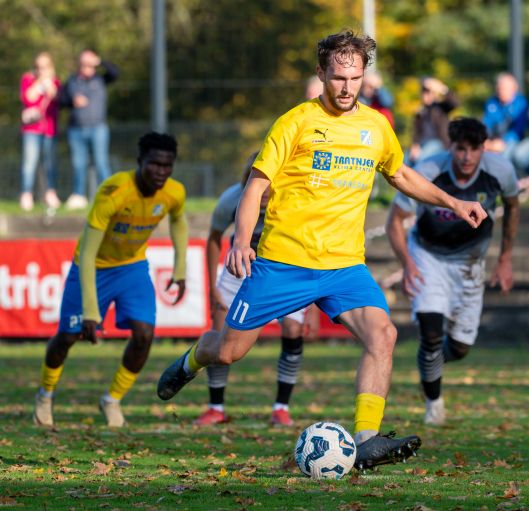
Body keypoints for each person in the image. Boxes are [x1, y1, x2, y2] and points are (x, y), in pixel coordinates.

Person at [156, 30, 487, 470]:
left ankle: (367, 439)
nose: (347, 87)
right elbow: (255, 186)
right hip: (282, 262)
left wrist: (454, 201)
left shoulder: (376, 126)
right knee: (231, 350)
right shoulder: (294, 122)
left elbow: (402, 175)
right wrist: (240, 241)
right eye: (338, 77)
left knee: (383, 334)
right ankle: (193, 357)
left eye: (355, 77)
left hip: (343, 266)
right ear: (321, 74)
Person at [33, 132, 188, 428]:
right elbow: (88, 251)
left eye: (167, 166)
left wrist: (180, 269)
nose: (161, 172)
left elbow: (179, 220)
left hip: (132, 268)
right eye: (155, 164)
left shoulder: (174, 192)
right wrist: (91, 311)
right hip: (92, 267)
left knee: (144, 335)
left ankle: (112, 399)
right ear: (140, 161)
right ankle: (45, 394)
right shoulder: (114, 190)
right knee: (67, 337)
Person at [386, 117, 520, 425]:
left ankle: (430, 364)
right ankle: (434, 404)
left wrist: (505, 258)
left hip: (470, 263)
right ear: (451, 147)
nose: (467, 157)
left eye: (474, 149)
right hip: (427, 256)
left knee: (459, 348)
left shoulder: (500, 171)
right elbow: (395, 221)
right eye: (461, 149)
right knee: (431, 333)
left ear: (484, 148)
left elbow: (513, 207)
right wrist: (407, 265)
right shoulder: (429, 171)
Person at [195, 156, 319, 426]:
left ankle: (281, 408)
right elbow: (214, 239)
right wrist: (212, 287)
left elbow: (311, 245)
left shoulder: (293, 199)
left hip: (284, 271)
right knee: (221, 334)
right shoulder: (231, 199)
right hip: (239, 269)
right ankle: (216, 407)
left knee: (293, 330)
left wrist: (313, 302)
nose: (262, 193)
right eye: (256, 184)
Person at [59, 50, 119, 210]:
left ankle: (110, 196)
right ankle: (79, 196)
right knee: (79, 164)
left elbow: (115, 73)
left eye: (89, 64)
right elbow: (61, 100)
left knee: (101, 163)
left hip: (98, 128)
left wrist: (100, 61)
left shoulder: (101, 79)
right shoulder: (72, 81)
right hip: (76, 129)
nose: (86, 67)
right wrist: (72, 101)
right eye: (84, 63)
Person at [19, 52, 61, 211]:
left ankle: (50, 193)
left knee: (50, 162)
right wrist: (39, 83)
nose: (41, 70)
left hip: (49, 128)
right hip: (32, 129)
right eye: (38, 66)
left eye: (44, 66)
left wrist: (50, 84)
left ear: (50, 67)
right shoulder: (28, 80)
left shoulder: (55, 82)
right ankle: (26, 193)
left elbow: (56, 98)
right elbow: (27, 98)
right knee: (29, 162)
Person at [408, 77, 459, 165]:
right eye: (424, 92)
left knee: (421, 159)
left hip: (439, 143)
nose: (426, 95)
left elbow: (455, 103)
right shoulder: (420, 111)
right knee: (405, 160)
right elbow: (416, 132)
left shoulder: (440, 108)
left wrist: (441, 88)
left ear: (434, 94)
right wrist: (415, 145)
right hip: (423, 144)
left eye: (429, 92)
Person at [483, 72, 528, 163]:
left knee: (505, 156)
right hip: (493, 140)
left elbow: (518, 129)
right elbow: (486, 123)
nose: (501, 91)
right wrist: (485, 140)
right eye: (499, 88)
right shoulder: (491, 102)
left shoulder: (521, 103)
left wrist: (503, 142)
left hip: (514, 140)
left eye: (504, 88)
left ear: (514, 89)